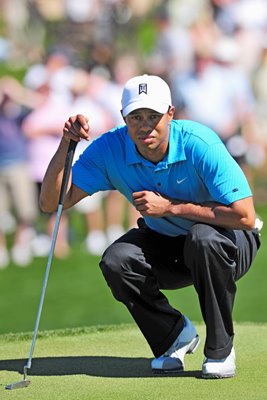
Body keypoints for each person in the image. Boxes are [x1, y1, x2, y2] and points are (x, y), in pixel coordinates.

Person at [39, 74, 261, 378]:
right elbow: (53, 203)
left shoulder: (200, 143)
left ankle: (221, 348)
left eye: (153, 116)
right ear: (123, 118)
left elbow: (245, 216)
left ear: (170, 113)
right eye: (136, 116)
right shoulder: (110, 149)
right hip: (169, 242)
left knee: (202, 238)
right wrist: (67, 142)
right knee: (117, 261)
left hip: (230, 241)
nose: (145, 125)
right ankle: (173, 336)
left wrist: (171, 206)